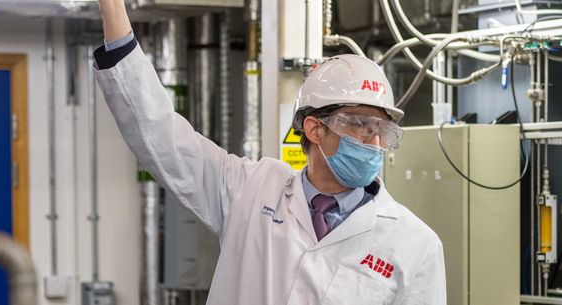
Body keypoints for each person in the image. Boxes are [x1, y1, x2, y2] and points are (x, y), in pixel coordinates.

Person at [92, 0, 446, 304]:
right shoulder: (252, 189)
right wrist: (112, 7)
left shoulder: (414, 244)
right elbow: (161, 134)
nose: (375, 143)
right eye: (361, 126)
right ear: (315, 129)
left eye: (382, 130)